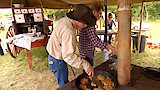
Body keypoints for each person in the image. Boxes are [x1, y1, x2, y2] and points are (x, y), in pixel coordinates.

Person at [46, 4, 95, 87]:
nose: (84, 27)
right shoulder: (68, 31)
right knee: (64, 85)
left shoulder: (65, 20)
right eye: (84, 24)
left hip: (55, 57)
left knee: (64, 83)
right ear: (77, 20)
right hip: (57, 60)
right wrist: (86, 65)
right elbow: (68, 56)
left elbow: (66, 45)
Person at [78, 2, 116, 68]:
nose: (101, 15)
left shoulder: (90, 21)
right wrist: (108, 46)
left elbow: (94, 37)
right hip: (86, 52)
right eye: (100, 13)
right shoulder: (89, 22)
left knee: (88, 69)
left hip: (87, 51)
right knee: (88, 71)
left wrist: (104, 44)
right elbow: (94, 41)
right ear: (94, 12)